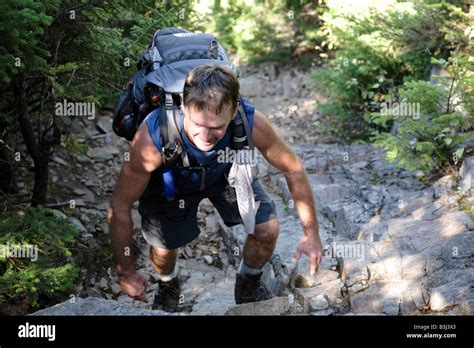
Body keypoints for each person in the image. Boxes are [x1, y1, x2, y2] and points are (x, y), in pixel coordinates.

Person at [107, 64, 323, 312]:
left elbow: (293, 168)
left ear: (232, 114)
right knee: (164, 250)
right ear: (183, 106)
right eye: (197, 124)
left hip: (224, 174)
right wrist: (126, 272)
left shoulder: (250, 122)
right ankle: (168, 286)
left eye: (216, 128)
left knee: (267, 230)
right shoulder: (152, 140)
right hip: (170, 182)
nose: (205, 136)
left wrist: (311, 233)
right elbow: (120, 206)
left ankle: (248, 284)